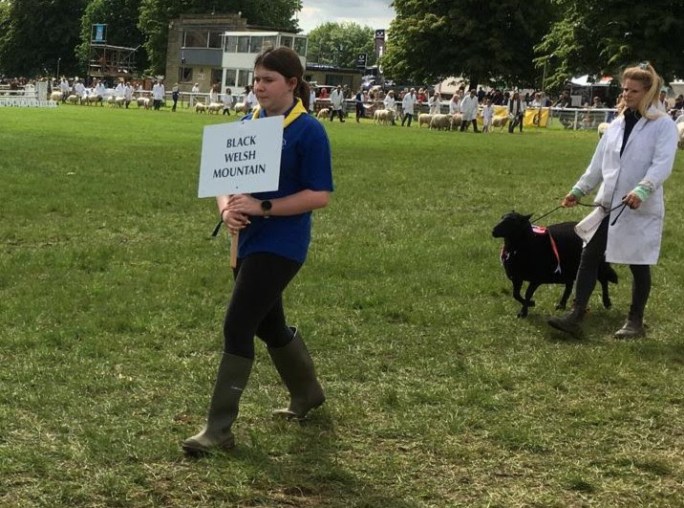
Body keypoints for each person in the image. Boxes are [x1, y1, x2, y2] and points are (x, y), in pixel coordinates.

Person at [182, 46, 333, 457]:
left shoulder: (309, 131)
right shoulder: (246, 123)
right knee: (269, 326)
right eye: (256, 79)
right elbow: (222, 180)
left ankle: (218, 430)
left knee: (237, 324)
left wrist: (264, 207)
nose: (258, 87)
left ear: (292, 83)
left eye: (267, 80)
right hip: (246, 241)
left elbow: (319, 196)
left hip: (282, 245)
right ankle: (308, 393)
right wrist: (228, 210)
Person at [547, 62, 679, 339]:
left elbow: (662, 164)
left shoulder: (663, 125)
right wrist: (579, 190)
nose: (626, 94)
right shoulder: (617, 123)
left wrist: (643, 189)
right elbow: (598, 164)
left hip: (639, 206)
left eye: (633, 90)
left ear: (649, 92)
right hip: (610, 205)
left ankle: (635, 321)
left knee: (638, 263)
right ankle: (576, 313)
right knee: (589, 255)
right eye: (624, 89)